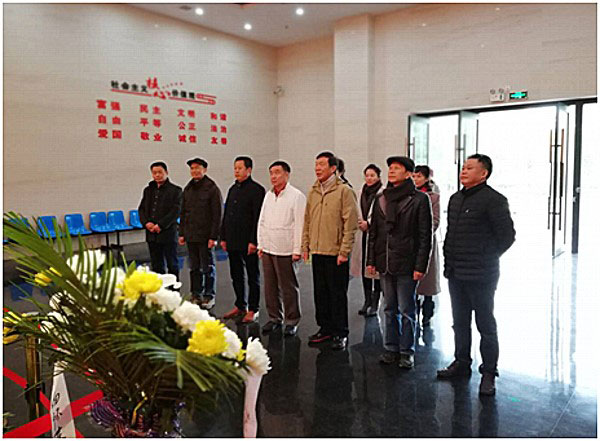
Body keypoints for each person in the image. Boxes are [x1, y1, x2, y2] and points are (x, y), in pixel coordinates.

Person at [437, 154, 515, 396]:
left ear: (484, 173)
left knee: (485, 324)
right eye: (463, 167)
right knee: (460, 322)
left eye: (470, 168)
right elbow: (451, 234)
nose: (464, 171)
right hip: (456, 272)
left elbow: (507, 236)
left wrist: (486, 256)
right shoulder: (456, 199)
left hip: (482, 274)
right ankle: (461, 362)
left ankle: (489, 372)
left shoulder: (494, 200)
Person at [366, 156, 432, 369]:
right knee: (388, 308)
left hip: (407, 262)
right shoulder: (381, 198)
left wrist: (420, 266)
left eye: (397, 168)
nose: (392, 171)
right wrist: (371, 260)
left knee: (407, 309)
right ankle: (390, 347)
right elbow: (374, 233)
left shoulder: (419, 199)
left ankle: (406, 351)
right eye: (390, 168)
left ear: (408, 173)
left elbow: (425, 236)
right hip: (385, 261)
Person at [302, 151, 359, 350]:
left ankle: (340, 332)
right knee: (320, 293)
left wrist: (344, 251)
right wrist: (305, 246)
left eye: (322, 164)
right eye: (316, 164)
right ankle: (325, 328)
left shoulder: (344, 191)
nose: (317, 168)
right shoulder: (313, 191)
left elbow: (350, 224)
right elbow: (307, 221)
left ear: (333, 168)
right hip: (318, 250)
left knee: (337, 294)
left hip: (336, 253)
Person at [257, 160, 306, 337]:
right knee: (270, 286)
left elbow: (300, 224)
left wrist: (297, 249)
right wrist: (261, 244)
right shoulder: (269, 195)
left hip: (286, 248)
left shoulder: (296, 196)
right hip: (268, 247)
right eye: (271, 173)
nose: (273, 176)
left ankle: (292, 320)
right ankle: (274, 317)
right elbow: (262, 220)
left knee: (288, 287)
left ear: (287, 174)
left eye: (277, 172)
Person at [221, 156, 266, 323]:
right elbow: (226, 215)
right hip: (232, 239)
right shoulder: (233, 189)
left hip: (248, 241)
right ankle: (240, 304)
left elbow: (258, 218)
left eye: (240, 168)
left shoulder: (257, 190)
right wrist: (223, 237)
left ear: (249, 170)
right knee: (236, 274)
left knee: (253, 275)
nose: (236, 171)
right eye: (235, 168)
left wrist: (254, 241)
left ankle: (253, 309)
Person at [178, 157, 223, 309]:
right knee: (194, 267)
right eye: (192, 168)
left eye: (198, 168)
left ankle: (209, 295)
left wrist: (213, 237)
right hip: (191, 235)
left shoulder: (212, 188)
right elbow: (183, 212)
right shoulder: (188, 188)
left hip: (205, 236)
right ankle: (196, 294)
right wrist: (182, 233)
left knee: (208, 267)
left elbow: (217, 214)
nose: (195, 171)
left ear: (205, 169)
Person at [138, 161, 182, 278]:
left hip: (168, 233)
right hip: (151, 233)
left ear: (166, 172)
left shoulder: (176, 190)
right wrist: (146, 223)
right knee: (156, 264)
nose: (157, 175)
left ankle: (173, 287)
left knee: (172, 263)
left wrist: (160, 225)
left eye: (160, 172)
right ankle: (159, 287)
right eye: (154, 173)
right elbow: (142, 209)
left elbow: (176, 211)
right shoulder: (148, 190)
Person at [413, 165, 441, 326]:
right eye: (414, 176)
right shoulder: (409, 195)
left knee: (427, 279)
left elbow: (435, 221)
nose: (415, 179)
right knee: (412, 281)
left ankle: (428, 309)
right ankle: (415, 308)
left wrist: (422, 234)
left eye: (419, 176)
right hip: (410, 243)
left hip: (426, 241)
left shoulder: (433, 197)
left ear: (426, 178)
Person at [356, 164, 383, 316]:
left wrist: (370, 224)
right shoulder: (361, 192)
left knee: (376, 270)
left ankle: (375, 303)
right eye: (367, 175)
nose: (369, 178)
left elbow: (382, 215)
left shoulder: (382, 193)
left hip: (377, 235)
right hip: (363, 233)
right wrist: (361, 223)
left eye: (372, 175)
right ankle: (367, 300)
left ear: (378, 177)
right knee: (365, 268)